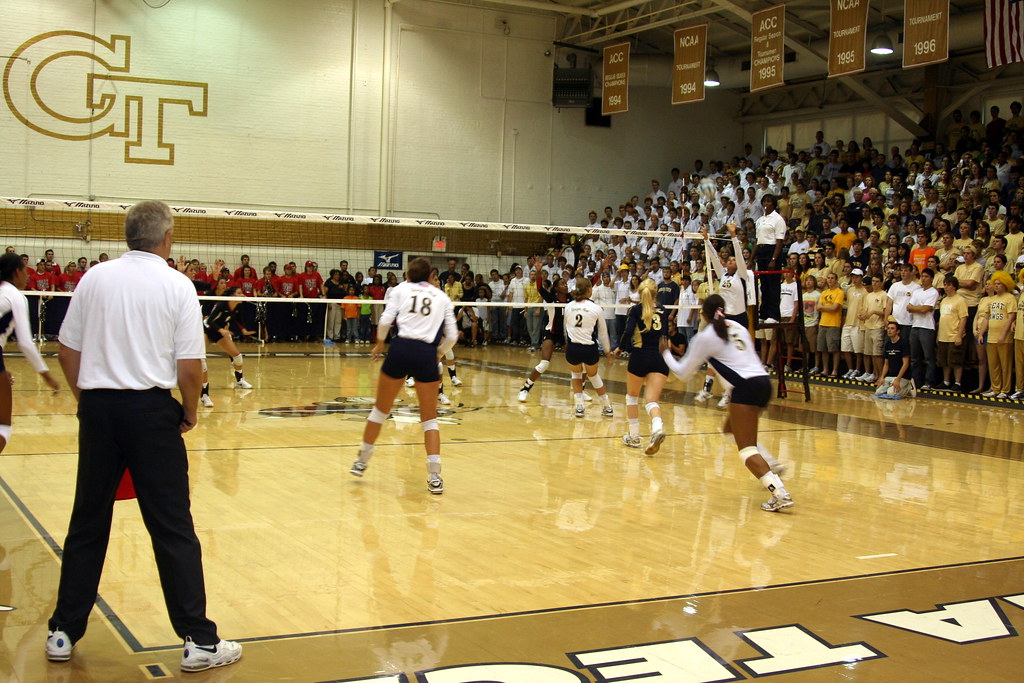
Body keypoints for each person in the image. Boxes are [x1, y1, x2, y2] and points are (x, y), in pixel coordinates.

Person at [46, 201, 241, 671]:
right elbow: (190, 366)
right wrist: (189, 412)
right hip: (151, 414)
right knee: (172, 525)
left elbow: (66, 349)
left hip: (100, 410)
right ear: (167, 238)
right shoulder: (177, 284)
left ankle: (62, 632)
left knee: (87, 520)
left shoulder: (95, 277)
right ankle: (199, 640)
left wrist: (85, 400)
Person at [660, 294, 793, 512]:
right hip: (764, 384)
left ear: (703, 314)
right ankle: (772, 464)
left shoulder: (705, 337)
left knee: (746, 449)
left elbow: (683, 373)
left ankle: (779, 492)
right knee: (730, 429)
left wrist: (666, 353)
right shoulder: (738, 327)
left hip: (744, 388)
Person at [349, 257, 457, 494]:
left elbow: (386, 320)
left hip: (401, 349)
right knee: (429, 419)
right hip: (426, 353)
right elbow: (452, 337)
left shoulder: (400, 289)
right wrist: (438, 354)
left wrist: (379, 344)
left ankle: (361, 461)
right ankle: (435, 476)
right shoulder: (442, 297)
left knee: (380, 410)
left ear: (408, 275)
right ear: (431, 276)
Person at [0, 253, 60, 452]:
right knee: (3, 427)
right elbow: (25, 342)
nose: (27, 275)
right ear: (16, 272)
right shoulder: (15, 295)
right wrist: (47, 375)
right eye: (25, 270)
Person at [615, 279, 669, 454]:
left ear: (639, 292)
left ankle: (634, 436)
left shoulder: (636, 310)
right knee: (652, 400)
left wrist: (619, 348)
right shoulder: (663, 311)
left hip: (639, 357)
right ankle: (657, 428)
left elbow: (628, 332)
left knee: (632, 396)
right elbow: (665, 336)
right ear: (656, 293)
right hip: (659, 359)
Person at [564, 277, 614, 418]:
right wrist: (608, 352)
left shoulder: (568, 306)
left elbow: (566, 329)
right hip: (589, 349)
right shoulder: (596, 308)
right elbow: (603, 333)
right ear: (589, 290)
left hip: (573, 348)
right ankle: (607, 406)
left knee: (576, 375)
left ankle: (579, 407)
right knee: (593, 375)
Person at [518, 274, 569, 402]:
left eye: (566, 283)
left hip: (566, 335)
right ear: (556, 288)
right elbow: (540, 288)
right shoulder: (552, 298)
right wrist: (539, 271)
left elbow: (586, 287)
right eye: (563, 283)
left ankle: (581, 390)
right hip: (551, 332)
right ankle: (525, 389)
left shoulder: (571, 298)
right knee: (544, 363)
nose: (566, 284)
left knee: (577, 363)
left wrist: (601, 270)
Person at [204, 286, 256, 389]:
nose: (243, 295)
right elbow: (209, 321)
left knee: (237, 356)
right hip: (206, 329)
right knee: (200, 358)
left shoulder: (238, 306)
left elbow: (238, 319)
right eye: (239, 293)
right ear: (232, 295)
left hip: (219, 331)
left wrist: (243, 330)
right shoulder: (221, 304)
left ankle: (240, 381)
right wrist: (222, 330)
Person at [875, 320, 915, 398]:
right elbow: (886, 364)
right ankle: (892, 387)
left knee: (891, 394)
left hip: (902, 377)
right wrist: (882, 377)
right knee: (878, 392)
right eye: (888, 328)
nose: (889, 330)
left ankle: (908, 387)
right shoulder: (888, 344)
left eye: (892, 328)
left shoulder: (904, 343)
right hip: (891, 376)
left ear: (898, 331)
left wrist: (898, 379)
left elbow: (906, 364)